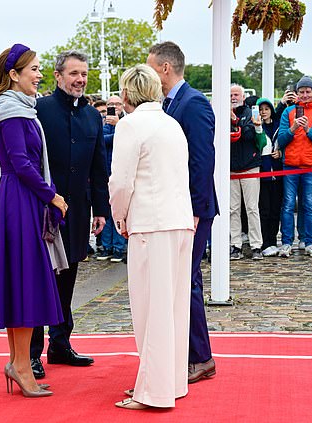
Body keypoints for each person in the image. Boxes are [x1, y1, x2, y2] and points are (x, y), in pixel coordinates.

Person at [0, 44, 68, 398]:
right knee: (25, 284)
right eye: (34, 69)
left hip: (20, 198)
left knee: (20, 285)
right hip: (20, 201)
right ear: (14, 74)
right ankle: (21, 366)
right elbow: (20, 163)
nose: (39, 74)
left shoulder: (16, 108)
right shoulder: (10, 109)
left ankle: (19, 364)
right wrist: (52, 196)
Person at [110, 64, 194, 410]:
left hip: (151, 224)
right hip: (178, 221)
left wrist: (119, 216)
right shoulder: (171, 123)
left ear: (127, 94)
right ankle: (170, 384)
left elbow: (121, 182)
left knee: (151, 309)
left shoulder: (131, 125)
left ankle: (154, 392)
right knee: (174, 308)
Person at [29, 50, 110, 379]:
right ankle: (32, 353)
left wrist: (101, 209)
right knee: (39, 280)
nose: (80, 79)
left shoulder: (93, 116)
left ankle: (60, 343)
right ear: (58, 76)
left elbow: (98, 167)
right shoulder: (39, 110)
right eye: (74, 73)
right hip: (43, 208)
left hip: (78, 211)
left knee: (68, 278)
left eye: (84, 74)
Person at [147, 41, 218, 383]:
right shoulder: (169, 104)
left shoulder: (194, 104)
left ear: (164, 68)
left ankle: (201, 357)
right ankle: (189, 352)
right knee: (181, 280)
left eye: (151, 66)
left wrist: (196, 210)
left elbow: (203, 162)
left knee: (186, 281)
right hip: (177, 207)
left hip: (191, 210)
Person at [277, 76, 312, 259]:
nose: (305, 95)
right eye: (302, 91)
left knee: (308, 204)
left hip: (310, 166)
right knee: (288, 204)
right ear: (297, 93)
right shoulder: (289, 112)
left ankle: (309, 241)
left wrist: (308, 130)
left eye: (308, 91)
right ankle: (286, 242)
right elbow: (282, 140)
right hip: (290, 165)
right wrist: (292, 129)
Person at [228, 83, 264, 260]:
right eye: (230, 95)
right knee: (232, 209)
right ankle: (235, 244)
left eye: (236, 95)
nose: (233, 98)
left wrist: (235, 122)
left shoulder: (250, 113)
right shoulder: (221, 114)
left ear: (243, 97)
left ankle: (256, 245)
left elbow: (250, 136)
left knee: (252, 208)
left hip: (250, 166)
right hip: (231, 169)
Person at [95, 94, 127, 263]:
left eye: (117, 103)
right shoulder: (101, 123)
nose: (114, 107)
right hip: (104, 172)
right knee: (105, 212)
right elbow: (99, 141)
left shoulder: (128, 122)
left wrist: (119, 127)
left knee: (119, 211)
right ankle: (106, 246)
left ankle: (119, 248)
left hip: (121, 173)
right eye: (111, 104)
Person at [255, 97, 283, 257]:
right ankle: (265, 242)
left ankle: (273, 240)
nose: (263, 112)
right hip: (263, 173)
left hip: (278, 174)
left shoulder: (279, 126)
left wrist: (280, 153)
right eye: (260, 109)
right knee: (263, 209)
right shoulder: (255, 127)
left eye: (266, 109)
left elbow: (285, 143)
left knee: (275, 210)